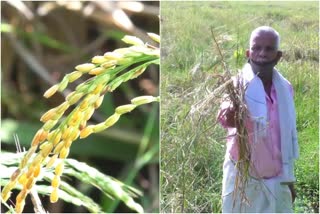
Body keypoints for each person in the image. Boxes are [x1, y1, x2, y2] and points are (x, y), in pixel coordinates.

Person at [217, 26, 299, 213]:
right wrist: (232, 114)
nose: (262, 53)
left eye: (269, 49)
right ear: (248, 52)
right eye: (257, 48)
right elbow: (224, 118)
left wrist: (289, 183)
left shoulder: (285, 89)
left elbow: (286, 136)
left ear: (278, 56)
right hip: (243, 178)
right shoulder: (236, 86)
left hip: (278, 178)